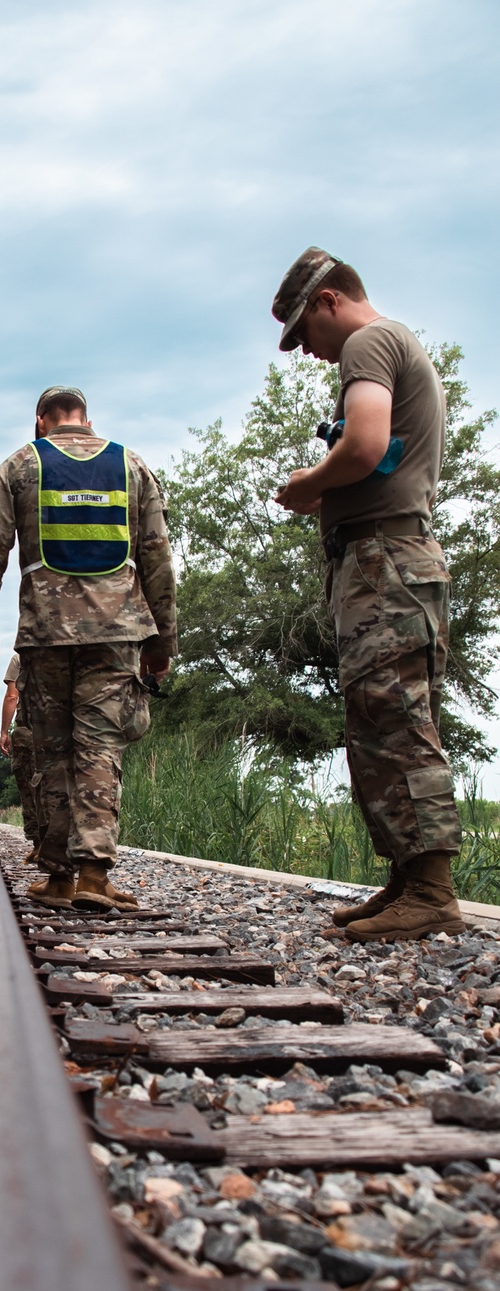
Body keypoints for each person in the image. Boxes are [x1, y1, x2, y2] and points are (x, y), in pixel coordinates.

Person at [272, 247, 464, 941]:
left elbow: (364, 442)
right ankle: (408, 881)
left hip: (387, 560)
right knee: (377, 718)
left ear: (327, 302)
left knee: (396, 717)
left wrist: (308, 485)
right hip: (384, 560)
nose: (308, 353)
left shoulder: (369, 341)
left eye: (303, 335)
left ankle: (433, 892)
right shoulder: (388, 343)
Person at [0, 386, 176, 910]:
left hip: (45, 633)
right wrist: (162, 640)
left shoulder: (17, 467)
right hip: (117, 631)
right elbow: (158, 558)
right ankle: (93, 875)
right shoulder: (132, 467)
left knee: (56, 750)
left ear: (41, 421)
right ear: (86, 419)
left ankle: (58, 875)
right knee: (100, 747)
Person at [0, 650, 44, 862]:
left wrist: (4, 732)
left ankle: (39, 846)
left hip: (29, 731)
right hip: (61, 731)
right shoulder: (65, 651)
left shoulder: (20, 657)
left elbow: (12, 695)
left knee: (30, 787)